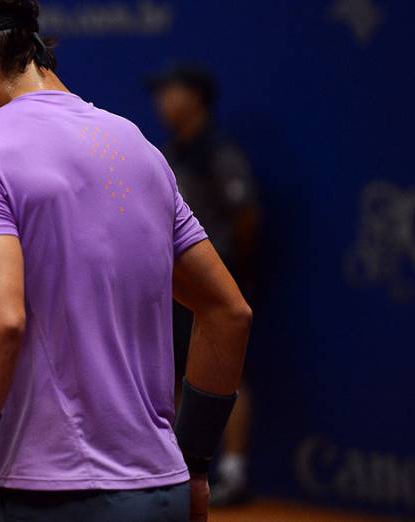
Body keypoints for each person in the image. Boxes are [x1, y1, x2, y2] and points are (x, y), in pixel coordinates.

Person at [0, 2, 251, 521]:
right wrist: (196, 467)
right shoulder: (138, 147)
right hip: (162, 495)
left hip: (51, 500)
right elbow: (229, 313)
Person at [148, 66, 261, 506]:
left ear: (194, 97)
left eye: (168, 91)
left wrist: (228, 268)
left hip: (217, 284)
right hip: (173, 285)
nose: (162, 101)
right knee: (174, 372)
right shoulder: (167, 152)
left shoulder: (220, 153)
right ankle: (179, 470)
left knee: (229, 375)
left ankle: (233, 472)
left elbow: (246, 216)